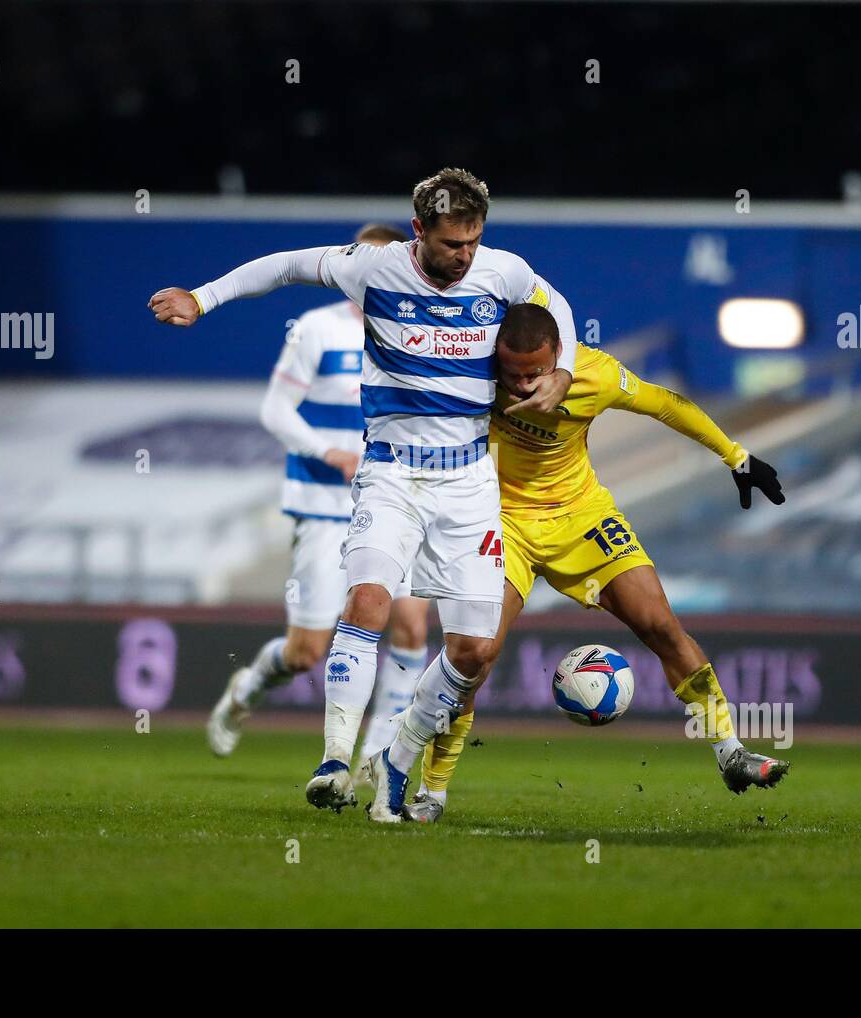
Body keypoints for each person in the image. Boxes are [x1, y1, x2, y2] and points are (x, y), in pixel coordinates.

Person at [149, 167, 579, 821]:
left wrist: (564, 371)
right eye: (451, 244)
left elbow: (559, 308)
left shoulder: (504, 271)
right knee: (369, 602)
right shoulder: (372, 269)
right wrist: (203, 299)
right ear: (418, 232)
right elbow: (286, 266)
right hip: (392, 474)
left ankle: (399, 759)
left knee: (473, 651)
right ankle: (334, 761)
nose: (464, 256)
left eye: (473, 241)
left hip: (468, 484)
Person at [403, 304, 788, 823]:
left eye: (533, 373)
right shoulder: (475, 365)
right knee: (475, 655)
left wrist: (735, 455)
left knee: (659, 622)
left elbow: (665, 404)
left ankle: (730, 752)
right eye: (511, 373)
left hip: (581, 517)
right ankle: (432, 792)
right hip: (502, 522)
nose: (519, 385)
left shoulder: (596, 374)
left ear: (558, 355)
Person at [206, 224, 430, 772]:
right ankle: (249, 686)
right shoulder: (316, 330)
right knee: (306, 652)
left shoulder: (416, 328)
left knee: (410, 626)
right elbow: (275, 411)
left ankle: (376, 758)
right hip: (324, 505)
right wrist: (328, 452)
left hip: (393, 503)